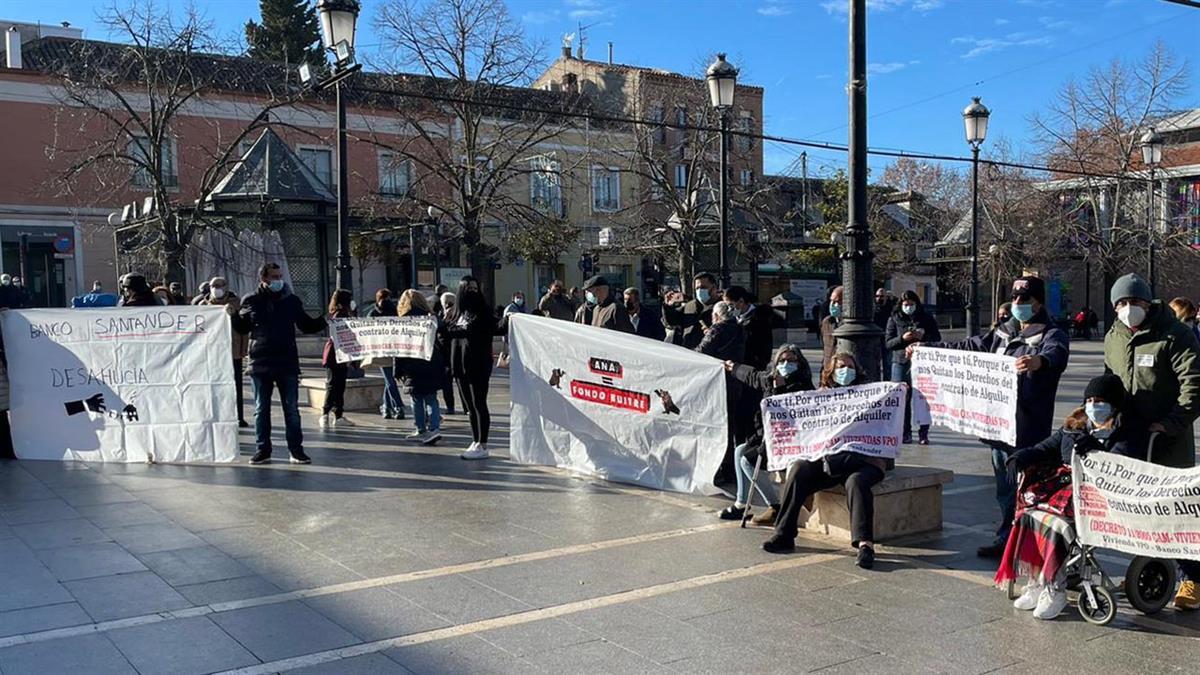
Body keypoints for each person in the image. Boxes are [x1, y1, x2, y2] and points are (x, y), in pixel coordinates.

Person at [913, 276, 1070, 559]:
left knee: (1029, 488)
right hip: (998, 427)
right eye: (1016, 298)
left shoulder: (1051, 334)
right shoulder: (1001, 333)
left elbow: (1056, 356)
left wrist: (1038, 362)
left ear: (1039, 302)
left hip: (1029, 428)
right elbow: (968, 348)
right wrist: (929, 348)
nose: (1019, 304)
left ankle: (1031, 542)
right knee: (1005, 488)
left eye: (1026, 299)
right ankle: (1007, 537)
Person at [998, 374, 1136, 620]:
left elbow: (1121, 463)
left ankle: (1055, 588)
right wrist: (1021, 456)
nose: (1094, 405)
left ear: (1114, 405)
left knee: (1057, 525)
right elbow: (1046, 447)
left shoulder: (1124, 431)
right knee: (1027, 515)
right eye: (1090, 400)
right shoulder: (1073, 426)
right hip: (1065, 489)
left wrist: (1095, 448)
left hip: (1097, 494)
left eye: (1101, 400)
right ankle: (1036, 580)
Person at [1103, 273, 1200, 611]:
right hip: (1130, 438)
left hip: (1167, 439)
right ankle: (1152, 567)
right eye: (1122, 303)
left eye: (1136, 302)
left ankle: (1194, 578)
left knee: (1175, 512)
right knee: (1140, 512)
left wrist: (1171, 423)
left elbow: (1194, 385)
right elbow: (1109, 382)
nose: (1129, 308)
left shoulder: (1175, 335)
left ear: (1149, 302)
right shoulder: (1114, 336)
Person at [763, 353, 885, 569]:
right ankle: (784, 534)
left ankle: (865, 545)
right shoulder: (820, 396)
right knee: (799, 468)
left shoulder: (870, 394)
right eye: (840, 367)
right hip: (828, 460)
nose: (845, 371)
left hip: (862, 460)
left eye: (849, 366)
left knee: (856, 483)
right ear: (831, 371)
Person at [233, 263, 327, 465]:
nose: (278, 280)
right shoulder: (251, 300)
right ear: (263, 279)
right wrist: (233, 315)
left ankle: (296, 450)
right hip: (260, 361)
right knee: (261, 409)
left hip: (287, 362)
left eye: (280, 276)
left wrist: (326, 319)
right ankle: (263, 450)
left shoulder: (291, 300)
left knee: (291, 409)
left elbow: (306, 325)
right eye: (274, 277)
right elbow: (242, 328)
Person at [721, 344, 815, 525]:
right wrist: (733, 368)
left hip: (788, 442)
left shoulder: (802, 385)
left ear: (799, 363)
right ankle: (741, 504)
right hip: (767, 437)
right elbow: (753, 376)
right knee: (739, 450)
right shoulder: (771, 378)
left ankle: (775, 506)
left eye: (790, 361)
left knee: (746, 461)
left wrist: (780, 389)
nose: (786, 364)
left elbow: (786, 413)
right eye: (782, 360)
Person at [443, 276, 499, 460]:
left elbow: (471, 331)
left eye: (475, 288)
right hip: (460, 364)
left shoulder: (483, 312)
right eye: (469, 288)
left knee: (479, 403)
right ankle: (475, 440)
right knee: (469, 407)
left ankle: (483, 443)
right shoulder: (455, 313)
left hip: (478, 364)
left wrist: (445, 330)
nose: (473, 292)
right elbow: (447, 335)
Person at [885, 290, 941, 444]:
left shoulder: (926, 318)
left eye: (911, 304)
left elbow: (937, 338)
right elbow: (888, 343)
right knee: (903, 398)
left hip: (923, 363)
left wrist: (923, 337)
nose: (908, 307)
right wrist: (902, 339)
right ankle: (905, 432)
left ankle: (924, 433)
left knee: (924, 398)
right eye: (905, 304)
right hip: (901, 362)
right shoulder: (894, 319)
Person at [396, 290, 445, 445]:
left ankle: (420, 429)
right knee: (431, 397)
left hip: (412, 363)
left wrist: (398, 368)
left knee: (416, 398)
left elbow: (399, 347)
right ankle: (434, 428)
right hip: (432, 361)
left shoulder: (403, 321)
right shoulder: (431, 318)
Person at [201, 277, 250, 428]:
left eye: (219, 285)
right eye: (213, 286)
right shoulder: (203, 305)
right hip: (211, 353)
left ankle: (239, 416)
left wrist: (243, 350)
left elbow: (243, 329)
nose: (216, 288)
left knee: (236, 386)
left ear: (226, 287)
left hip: (233, 351)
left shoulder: (237, 303)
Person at [318, 289, 356, 430]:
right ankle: (326, 414)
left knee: (339, 386)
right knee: (334, 385)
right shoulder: (341, 314)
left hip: (338, 354)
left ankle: (338, 414)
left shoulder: (338, 313)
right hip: (335, 355)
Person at [368, 289, 406, 420]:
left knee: (389, 380)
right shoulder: (395, 311)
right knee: (389, 380)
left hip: (381, 350)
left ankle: (396, 407)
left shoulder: (373, 313)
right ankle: (387, 408)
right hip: (395, 349)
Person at [662, 272, 720, 348]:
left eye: (703, 287)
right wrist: (668, 306)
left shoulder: (721, 307)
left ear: (714, 288)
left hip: (709, 353)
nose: (700, 291)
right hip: (688, 351)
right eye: (697, 288)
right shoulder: (690, 305)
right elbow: (672, 321)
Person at [725, 286, 774, 370]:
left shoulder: (760, 318)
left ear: (741, 301)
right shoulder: (733, 318)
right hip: (735, 365)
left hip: (752, 365)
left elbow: (765, 346)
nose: (729, 310)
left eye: (731, 305)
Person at [437, 291, 457, 415]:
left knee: (461, 382)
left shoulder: (458, 315)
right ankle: (450, 406)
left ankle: (466, 407)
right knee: (447, 383)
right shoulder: (440, 315)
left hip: (455, 352)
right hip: (444, 354)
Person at [820, 286, 844, 370]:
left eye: (836, 302)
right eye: (831, 301)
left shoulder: (850, 324)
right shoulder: (826, 322)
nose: (832, 305)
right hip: (828, 366)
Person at [874, 288, 896, 376]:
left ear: (886, 297)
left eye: (882, 296)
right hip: (876, 339)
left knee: (888, 364)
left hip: (887, 339)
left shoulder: (891, 309)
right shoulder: (873, 309)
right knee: (876, 364)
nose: (879, 298)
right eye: (877, 296)